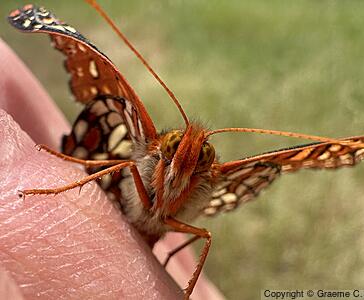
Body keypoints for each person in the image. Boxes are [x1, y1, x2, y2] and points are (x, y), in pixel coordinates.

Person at [0, 39, 224, 300]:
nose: (186, 163)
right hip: (128, 198)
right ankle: (64, 187)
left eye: (203, 158)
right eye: (175, 146)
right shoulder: (152, 154)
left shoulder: (204, 178)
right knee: (128, 162)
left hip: (165, 221)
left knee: (205, 236)